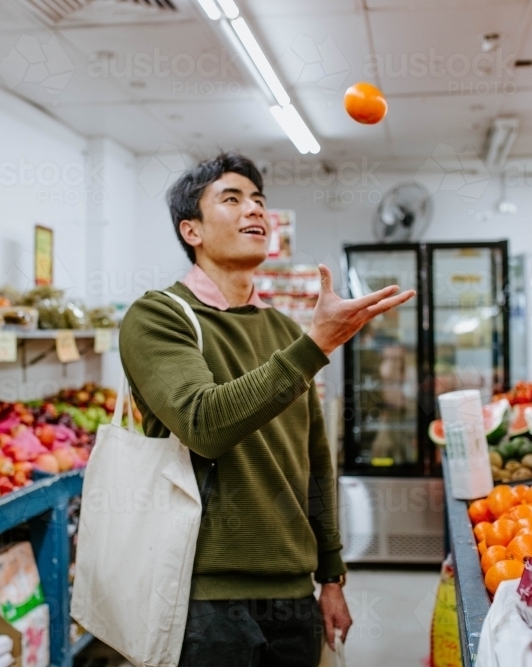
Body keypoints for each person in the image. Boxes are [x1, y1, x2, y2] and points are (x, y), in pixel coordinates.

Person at [118, 152, 414, 667]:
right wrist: (316, 343)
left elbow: (314, 457)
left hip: (294, 591)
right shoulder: (158, 316)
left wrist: (331, 575)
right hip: (203, 595)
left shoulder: (281, 330)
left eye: (259, 200)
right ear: (192, 230)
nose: (254, 210)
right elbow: (203, 423)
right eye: (231, 199)